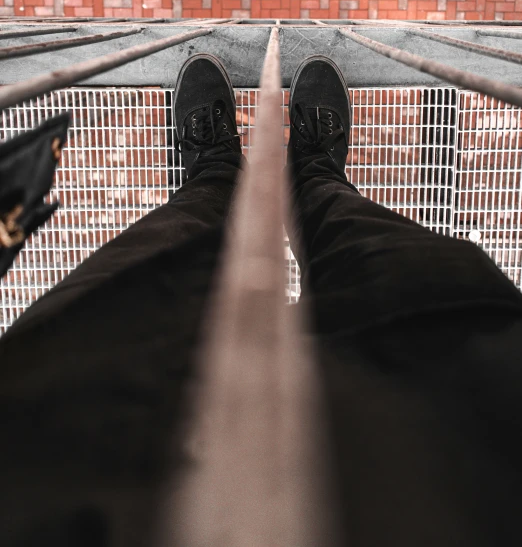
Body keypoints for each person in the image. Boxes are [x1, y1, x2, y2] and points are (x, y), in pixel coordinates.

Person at [0, 54, 521, 547]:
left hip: (64, 435)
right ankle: (315, 178)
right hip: (457, 431)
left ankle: (215, 174)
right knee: (404, 273)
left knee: (140, 283)